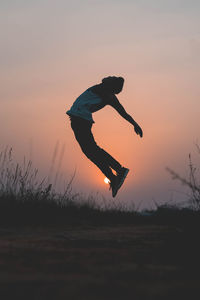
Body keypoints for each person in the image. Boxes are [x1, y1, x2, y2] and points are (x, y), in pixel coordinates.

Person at [66, 76, 143, 197]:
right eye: (114, 91)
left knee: (91, 150)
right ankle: (114, 177)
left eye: (115, 92)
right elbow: (105, 81)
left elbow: (123, 112)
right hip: (79, 119)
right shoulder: (102, 89)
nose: (112, 94)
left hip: (80, 119)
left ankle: (119, 171)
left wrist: (135, 124)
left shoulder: (109, 95)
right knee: (91, 152)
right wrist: (135, 124)